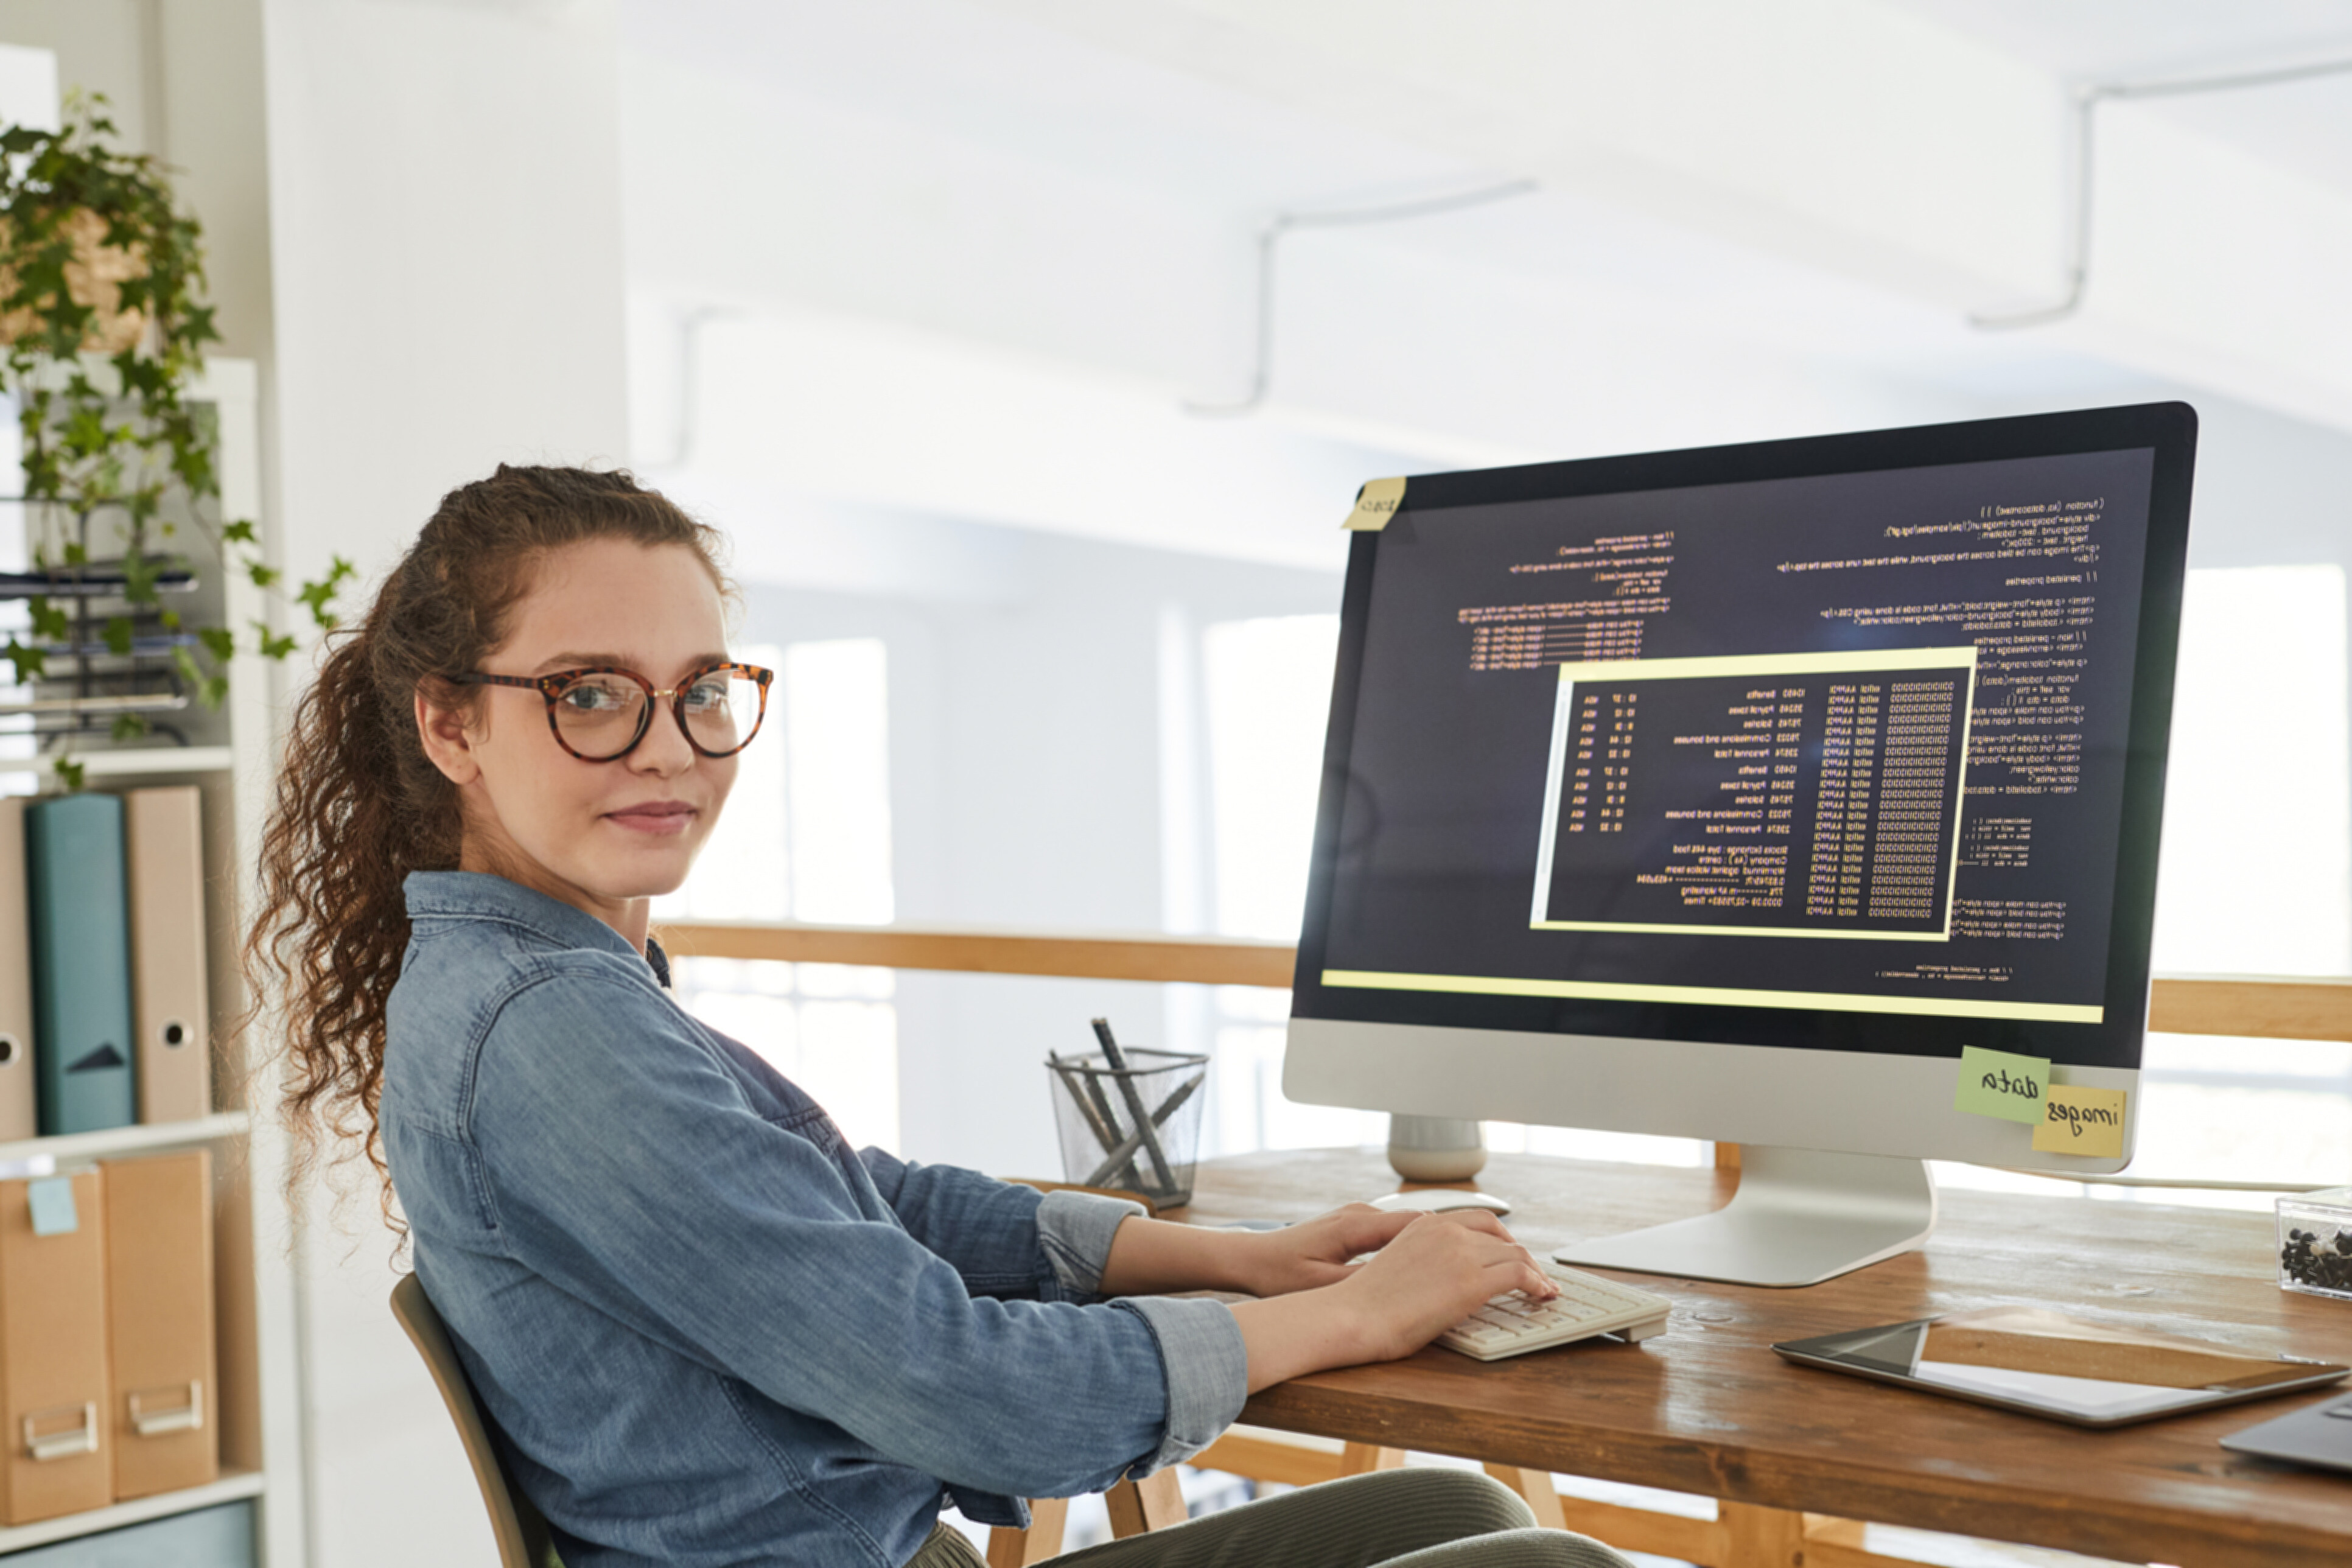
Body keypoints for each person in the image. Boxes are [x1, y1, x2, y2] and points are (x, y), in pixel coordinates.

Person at [248, 464, 1636, 1568]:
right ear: (451, 724)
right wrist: (1354, 1316)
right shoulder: (550, 1031)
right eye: (590, 694)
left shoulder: (554, 983)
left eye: (701, 691)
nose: (667, 746)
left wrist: (1240, 1261)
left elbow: (854, 1202)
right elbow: (966, 1394)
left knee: (1457, 1515)